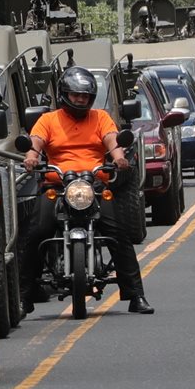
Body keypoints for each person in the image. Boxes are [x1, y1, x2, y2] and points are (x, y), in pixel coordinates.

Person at [20, 66, 154, 315]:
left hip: (93, 185)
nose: (81, 99)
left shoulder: (100, 117)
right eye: (75, 95)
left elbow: (112, 140)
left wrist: (118, 157)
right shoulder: (48, 119)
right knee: (36, 233)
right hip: (57, 186)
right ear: (64, 95)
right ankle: (24, 297)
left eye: (85, 96)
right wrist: (31, 156)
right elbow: (36, 141)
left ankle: (136, 296)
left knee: (119, 235)